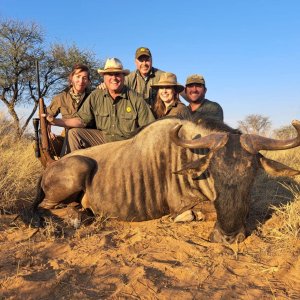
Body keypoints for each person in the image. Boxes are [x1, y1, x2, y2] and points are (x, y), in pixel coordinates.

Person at [45, 58, 155, 152]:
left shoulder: (136, 99)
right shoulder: (95, 95)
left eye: (117, 74)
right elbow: (81, 121)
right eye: (109, 74)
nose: (114, 78)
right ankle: (75, 172)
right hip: (103, 140)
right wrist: (55, 121)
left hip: (127, 145)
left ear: (123, 76)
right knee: (73, 134)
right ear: (103, 77)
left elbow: (150, 129)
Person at [46, 64, 92, 156]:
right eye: (78, 77)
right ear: (71, 78)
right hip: (68, 137)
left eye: (84, 78)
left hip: (88, 137)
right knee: (45, 146)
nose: (81, 81)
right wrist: (48, 132)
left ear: (88, 81)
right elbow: (46, 117)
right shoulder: (61, 97)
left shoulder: (93, 96)